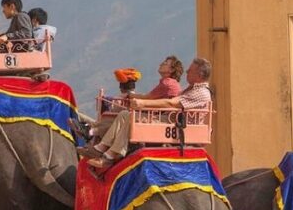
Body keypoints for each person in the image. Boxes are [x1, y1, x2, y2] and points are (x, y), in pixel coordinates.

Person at [84, 58, 212, 168]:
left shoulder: (199, 91)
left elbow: (171, 103)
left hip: (176, 124)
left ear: (199, 75)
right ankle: (102, 146)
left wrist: (142, 103)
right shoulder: (190, 89)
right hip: (171, 118)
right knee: (125, 114)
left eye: (191, 70)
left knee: (131, 117)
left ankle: (110, 153)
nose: (187, 72)